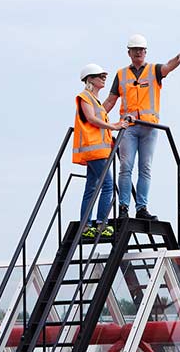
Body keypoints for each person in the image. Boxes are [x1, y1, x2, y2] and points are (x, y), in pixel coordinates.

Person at [103, 34, 180, 220]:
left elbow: (168, 66)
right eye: (134, 49)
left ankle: (141, 208)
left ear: (145, 52)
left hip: (149, 127)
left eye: (141, 49)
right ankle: (123, 208)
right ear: (129, 52)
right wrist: (96, 117)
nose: (138, 52)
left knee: (145, 168)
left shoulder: (154, 70)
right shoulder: (121, 75)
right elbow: (111, 100)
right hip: (128, 127)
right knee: (125, 167)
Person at [72, 63, 129, 238]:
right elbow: (91, 119)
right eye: (100, 76)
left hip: (97, 150)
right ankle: (100, 224)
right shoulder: (85, 97)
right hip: (93, 150)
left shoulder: (95, 100)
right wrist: (114, 126)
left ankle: (86, 225)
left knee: (91, 187)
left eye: (104, 76)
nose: (104, 78)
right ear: (90, 79)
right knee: (107, 185)